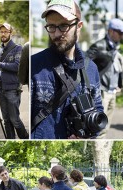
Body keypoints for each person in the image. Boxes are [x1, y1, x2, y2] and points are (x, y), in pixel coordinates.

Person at [31, 0, 104, 139]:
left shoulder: (91, 69)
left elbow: (98, 111)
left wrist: (88, 135)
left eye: (64, 26)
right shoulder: (34, 66)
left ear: (79, 26)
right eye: (51, 26)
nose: (57, 33)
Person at [0, 23, 29, 139]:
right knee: (6, 121)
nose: (3, 34)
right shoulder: (0, 51)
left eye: (5, 32)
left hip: (13, 89)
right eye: (1, 32)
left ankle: (25, 138)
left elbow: (17, 67)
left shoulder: (18, 49)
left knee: (15, 120)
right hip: (2, 89)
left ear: (10, 33)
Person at [86, 18, 123, 138]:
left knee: (106, 127)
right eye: (120, 32)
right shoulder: (98, 45)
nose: (122, 36)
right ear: (111, 31)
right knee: (98, 127)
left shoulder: (115, 48)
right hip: (101, 93)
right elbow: (84, 65)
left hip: (112, 93)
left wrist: (119, 85)